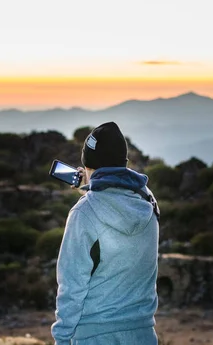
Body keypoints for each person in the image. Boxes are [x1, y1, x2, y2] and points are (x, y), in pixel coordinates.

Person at [51, 122, 160, 345]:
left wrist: (61, 340)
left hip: (95, 337)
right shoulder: (148, 202)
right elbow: (121, 193)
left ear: (88, 166)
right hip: (142, 334)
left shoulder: (84, 213)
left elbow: (72, 287)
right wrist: (91, 185)